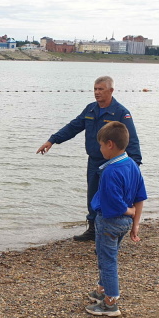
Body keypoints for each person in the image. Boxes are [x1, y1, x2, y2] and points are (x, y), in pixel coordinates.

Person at [37, 76, 142, 241]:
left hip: (112, 164)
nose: (97, 92)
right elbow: (73, 127)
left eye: (101, 89)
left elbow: (132, 140)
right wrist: (52, 140)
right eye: (95, 89)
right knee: (93, 196)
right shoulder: (91, 109)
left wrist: (134, 166)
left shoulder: (121, 113)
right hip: (94, 161)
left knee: (112, 197)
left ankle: (111, 231)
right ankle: (93, 229)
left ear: (111, 90)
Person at [84, 122, 147, 317]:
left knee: (107, 260)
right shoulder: (132, 165)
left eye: (101, 145)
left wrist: (129, 212)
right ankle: (101, 290)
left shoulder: (110, 171)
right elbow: (140, 196)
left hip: (110, 222)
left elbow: (115, 205)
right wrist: (135, 224)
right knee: (107, 256)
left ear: (110, 144)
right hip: (123, 225)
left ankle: (110, 302)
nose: (100, 149)